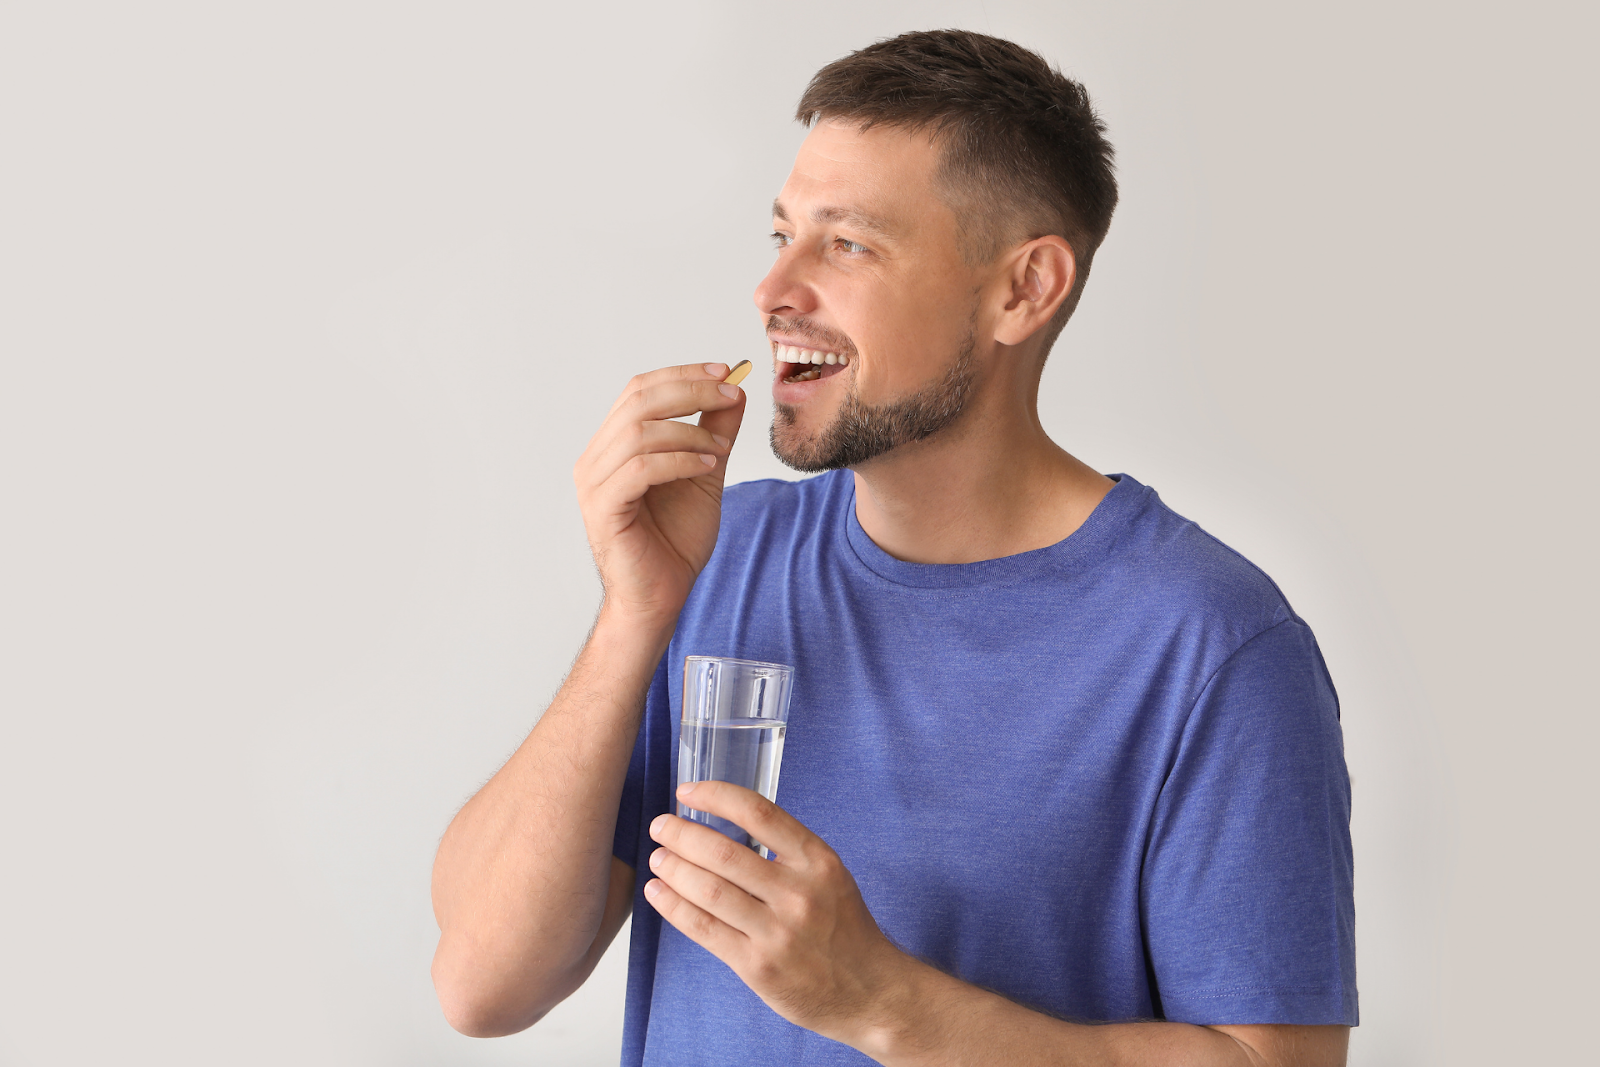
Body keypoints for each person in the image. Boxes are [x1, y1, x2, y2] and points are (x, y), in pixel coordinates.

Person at [429, 29, 1357, 1067]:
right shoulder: (716, 558)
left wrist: (884, 1003)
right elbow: (479, 981)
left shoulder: (1213, 642)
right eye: (780, 234)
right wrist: (633, 613)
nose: (774, 288)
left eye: (848, 243)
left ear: (1023, 290)